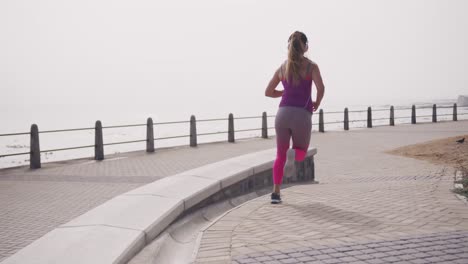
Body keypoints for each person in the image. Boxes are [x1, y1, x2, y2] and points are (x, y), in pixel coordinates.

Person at [264, 31, 325, 204]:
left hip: (282, 114)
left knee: (279, 156)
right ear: (305, 47)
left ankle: (275, 194)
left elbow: (268, 92)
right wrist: (317, 103)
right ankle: (294, 154)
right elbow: (321, 88)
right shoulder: (311, 66)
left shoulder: (282, 68)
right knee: (301, 152)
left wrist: (285, 92)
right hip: (301, 114)